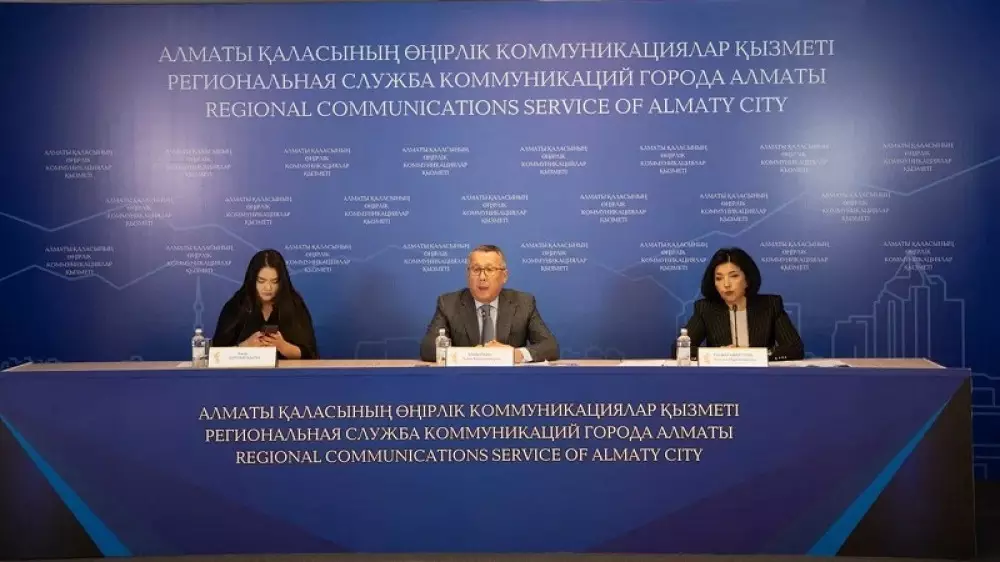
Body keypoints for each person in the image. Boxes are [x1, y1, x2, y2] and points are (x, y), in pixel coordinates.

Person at [419, 244, 559, 363]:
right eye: (476, 270)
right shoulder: (448, 303)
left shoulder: (523, 303)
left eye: (490, 269)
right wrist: (472, 355)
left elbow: (550, 346)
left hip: (510, 381)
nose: (482, 277)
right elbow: (428, 349)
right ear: (468, 275)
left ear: (504, 276)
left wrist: (515, 354)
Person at [679, 247, 804, 361]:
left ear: (747, 280)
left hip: (761, 375)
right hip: (721, 376)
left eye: (734, 276)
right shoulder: (706, 308)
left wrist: (751, 354)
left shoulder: (770, 305)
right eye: (719, 278)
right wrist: (717, 354)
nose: (726, 284)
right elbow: (680, 349)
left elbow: (794, 349)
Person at [212, 249, 319, 360]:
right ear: (252, 280)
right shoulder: (237, 305)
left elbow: (310, 354)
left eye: (274, 281)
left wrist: (283, 347)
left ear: (281, 282)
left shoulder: (294, 304)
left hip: (285, 371)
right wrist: (244, 347)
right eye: (261, 281)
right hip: (245, 371)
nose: (268, 288)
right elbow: (216, 355)